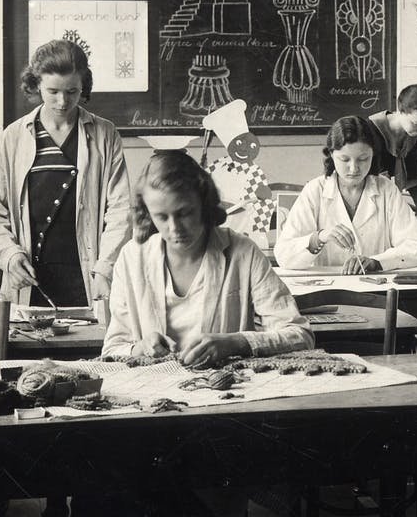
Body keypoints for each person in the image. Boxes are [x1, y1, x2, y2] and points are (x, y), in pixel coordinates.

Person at [99, 150, 314, 363]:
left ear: (203, 203)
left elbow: (300, 335)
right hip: (153, 388)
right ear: (147, 213)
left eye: (185, 213)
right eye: (161, 217)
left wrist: (234, 343)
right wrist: (140, 348)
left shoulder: (243, 252)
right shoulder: (131, 257)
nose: (175, 228)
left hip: (229, 390)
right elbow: (112, 350)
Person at [0, 39, 131, 308]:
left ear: (84, 86)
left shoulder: (105, 134)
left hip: (87, 273)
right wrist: (10, 255)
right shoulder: (13, 137)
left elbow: (120, 209)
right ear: (36, 85)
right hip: (29, 276)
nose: (63, 102)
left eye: (72, 91)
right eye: (53, 91)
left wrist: (105, 267)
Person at [274, 115, 417, 273]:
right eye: (344, 159)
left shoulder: (386, 189)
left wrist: (377, 262)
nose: (354, 168)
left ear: (373, 155)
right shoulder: (315, 190)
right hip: (328, 291)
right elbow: (284, 255)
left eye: (363, 159)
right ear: (332, 154)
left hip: (375, 287)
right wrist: (319, 238)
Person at [366, 83, 417, 241]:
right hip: (369, 206)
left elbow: (416, 176)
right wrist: (412, 220)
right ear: (400, 111)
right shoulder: (369, 130)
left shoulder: (413, 135)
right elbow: (381, 188)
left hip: (389, 206)